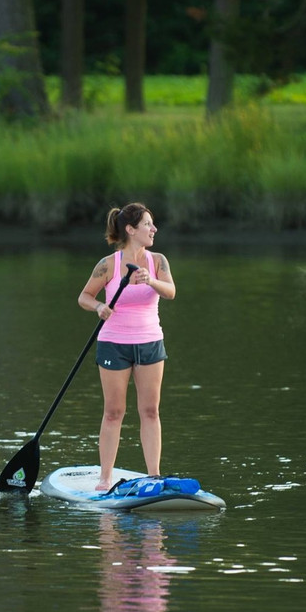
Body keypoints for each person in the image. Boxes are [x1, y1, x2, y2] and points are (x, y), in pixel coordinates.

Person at [77, 203, 175, 491]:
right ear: (131, 230)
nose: (153, 229)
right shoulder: (109, 264)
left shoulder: (158, 261)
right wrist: (99, 307)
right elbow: (84, 296)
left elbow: (171, 292)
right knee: (114, 412)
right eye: (148, 224)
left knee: (150, 411)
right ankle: (105, 478)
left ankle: (154, 476)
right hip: (113, 344)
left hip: (150, 344)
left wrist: (151, 280)